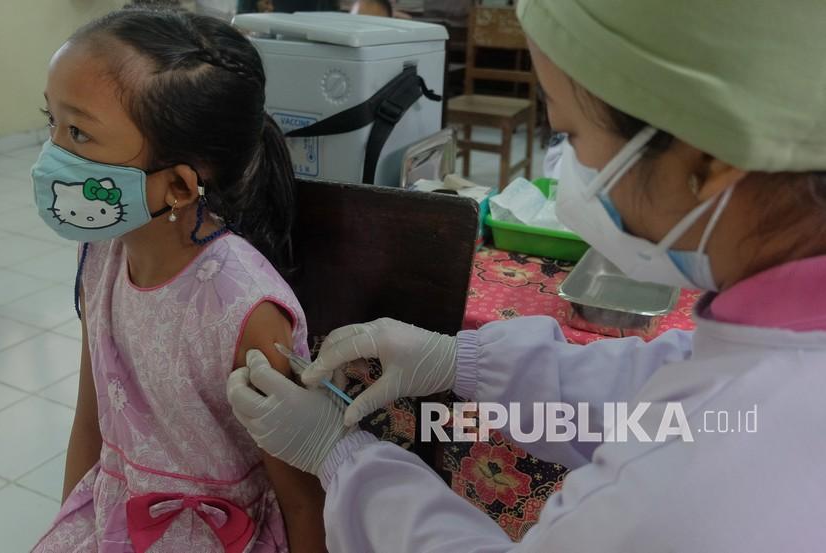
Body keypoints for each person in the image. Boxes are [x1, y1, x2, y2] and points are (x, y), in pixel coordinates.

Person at [229, 0, 826, 550]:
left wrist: (341, 459)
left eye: (572, 134)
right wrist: (461, 361)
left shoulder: (690, 492)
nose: (566, 167)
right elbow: (664, 387)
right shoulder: (775, 357)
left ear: (709, 157)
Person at [31, 7, 327, 552]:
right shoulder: (102, 253)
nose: (52, 154)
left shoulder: (248, 310)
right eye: (50, 120)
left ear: (178, 187)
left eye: (78, 133)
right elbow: (91, 418)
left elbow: (303, 497)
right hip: (113, 518)